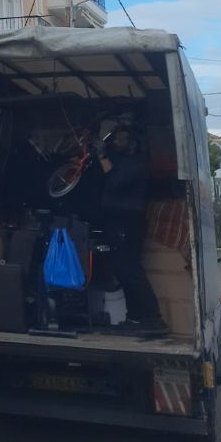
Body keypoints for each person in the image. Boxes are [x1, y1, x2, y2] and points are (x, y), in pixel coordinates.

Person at [98, 121, 166, 336]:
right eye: (115, 138)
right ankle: (135, 317)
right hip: (118, 220)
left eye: (121, 139)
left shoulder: (137, 163)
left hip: (127, 221)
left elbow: (116, 182)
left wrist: (102, 156)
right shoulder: (123, 160)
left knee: (130, 269)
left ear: (133, 143)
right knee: (123, 270)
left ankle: (154, 318)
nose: (116, 142)